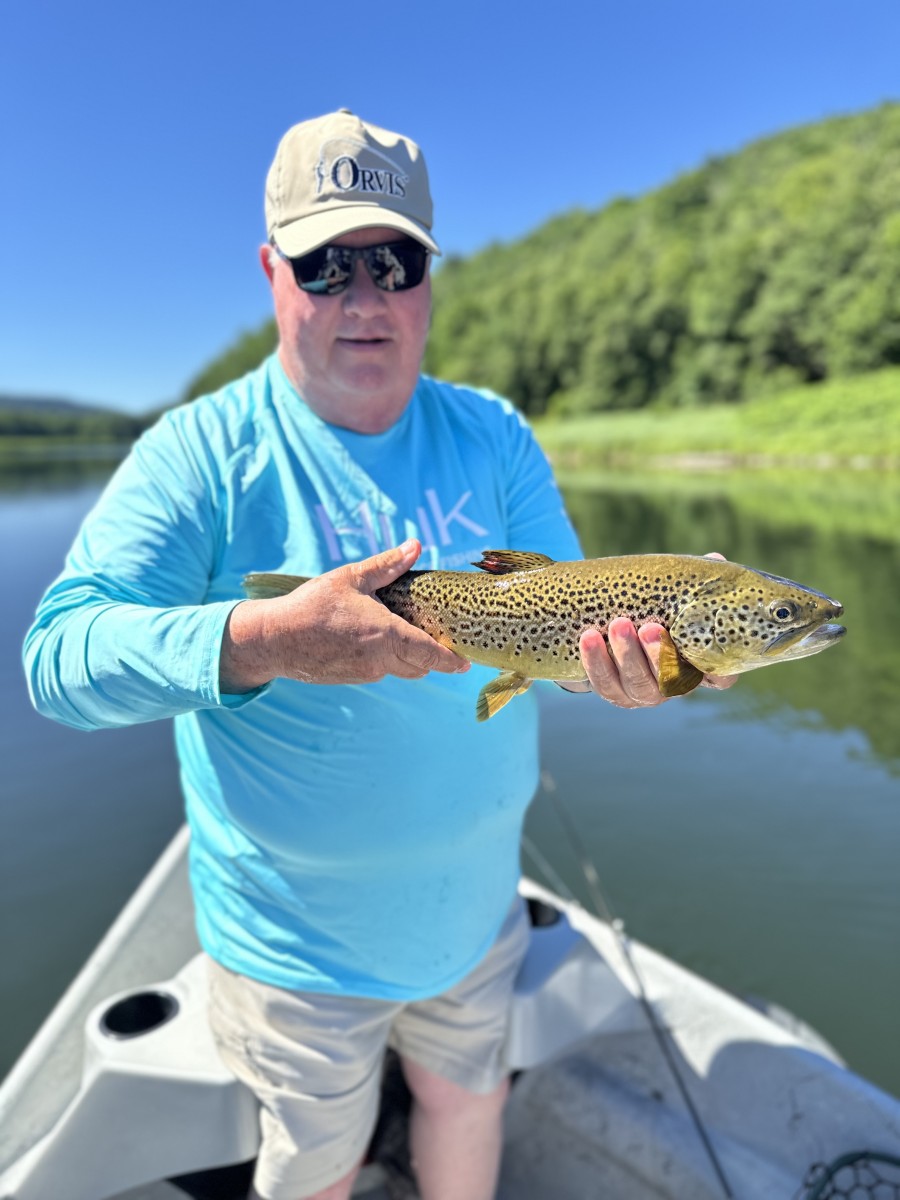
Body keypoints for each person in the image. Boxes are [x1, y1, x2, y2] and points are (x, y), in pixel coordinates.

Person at [24, 109, 734, 1200]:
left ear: (429, 278)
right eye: (327, 263)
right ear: (273, 270)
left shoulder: (493, 431)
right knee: (320, 1165)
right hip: (291, 954)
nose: (364, 298)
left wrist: (668, 659)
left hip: (475, 913)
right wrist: (266, 639)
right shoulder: (199, 454)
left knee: (468, 1099)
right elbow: (59, 658)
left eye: (393, 262)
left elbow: (583, 619)